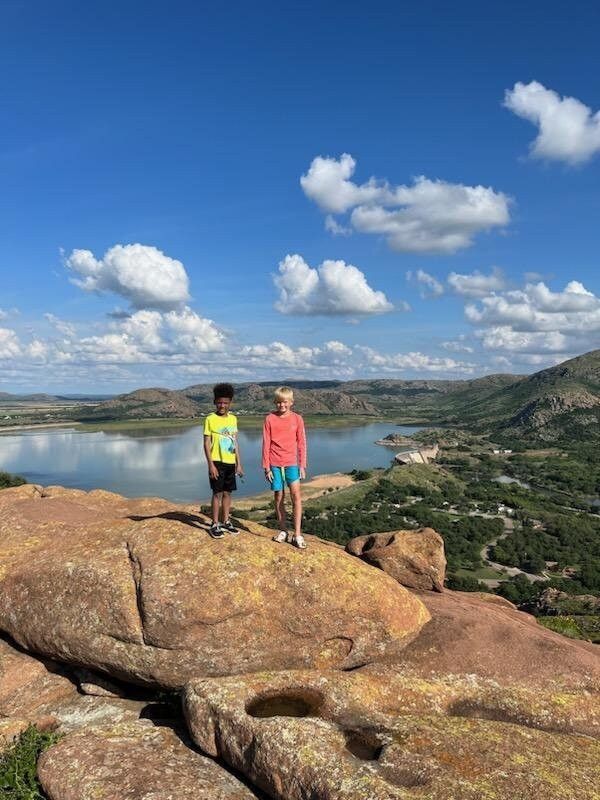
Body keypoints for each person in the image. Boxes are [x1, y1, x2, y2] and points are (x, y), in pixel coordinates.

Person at [262, 386, 307, 549]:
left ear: (291, 402)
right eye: (279, 402)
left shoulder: (297, 419)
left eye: (285, 402)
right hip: (274, 463)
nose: (282, 405)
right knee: (279, 496)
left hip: (291, 463)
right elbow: (266, 443)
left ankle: (297, 534)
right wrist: (266, 467)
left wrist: (302, 465)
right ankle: (283, 530)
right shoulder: (269, 419)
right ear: (275, 402)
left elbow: (301, 443)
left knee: (296, 496)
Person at [203, 382, 244, 538]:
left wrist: (239, 464)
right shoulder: (210, 419)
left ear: (230, 403)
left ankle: (226, 521)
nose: (222, 405)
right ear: (215, 402)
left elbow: (235, 442)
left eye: (225, 403)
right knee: (217, 493)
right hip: (217, 461)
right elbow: (206, 443)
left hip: (230, 462)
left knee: (228, 492)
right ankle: (214, 523)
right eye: (219, 402)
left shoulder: (233, 419)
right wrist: (211, 465)